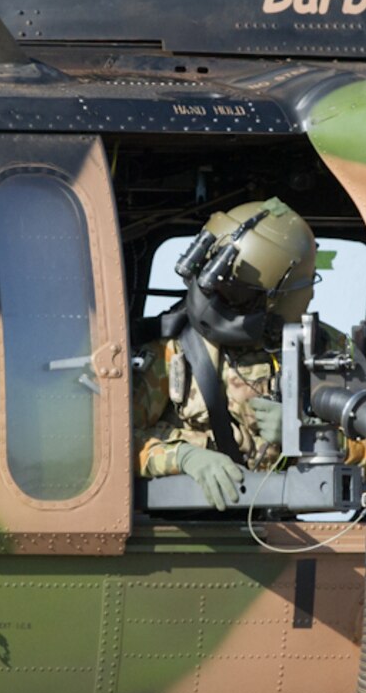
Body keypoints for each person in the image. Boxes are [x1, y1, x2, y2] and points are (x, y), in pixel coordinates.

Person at [133, 197, 337, 509]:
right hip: (187, 529)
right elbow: (112, 444)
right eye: (213, 287)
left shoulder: (323, 353)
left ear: (279, 301)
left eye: (238, 295)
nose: (217, 304)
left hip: (287, 536)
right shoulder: (170, 349)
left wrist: (308, 436)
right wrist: (183, 456)